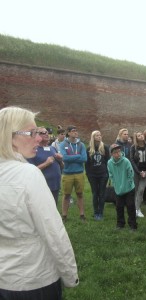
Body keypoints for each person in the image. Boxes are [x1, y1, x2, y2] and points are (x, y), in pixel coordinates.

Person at [0, 106, 78, 300]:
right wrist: (70, 276)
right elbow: (53, 231)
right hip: (34, 279)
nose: (39, 138)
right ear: (10, 136)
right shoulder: (28, 174)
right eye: (32, 132)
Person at [27, 127, 63, 205]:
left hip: (55, 185)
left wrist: (60, 160)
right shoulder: (32, 150)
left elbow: (62, 167)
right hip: (41, 187)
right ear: (36, 135)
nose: (46, 134)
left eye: (47, 132)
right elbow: (29, 171)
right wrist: (46, 163)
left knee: (53, 209)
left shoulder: (52, 148)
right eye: (43, 133)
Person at [60, 125, 87, 222]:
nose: (76, 132)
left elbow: (84, 158)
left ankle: (82, 214)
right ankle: (64, 216)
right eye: (73, 131)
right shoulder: (63, 144)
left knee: (80, 194)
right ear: (69, 133)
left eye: (76, 130)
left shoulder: (81, 145)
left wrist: (71, 157)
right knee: (66, 195)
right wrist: (77, 156)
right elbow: (64, 158)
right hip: (67, 173)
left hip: (79, 173)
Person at [107, 144, 137, 230]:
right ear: (112, 154)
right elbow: (110, 174)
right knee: (119, 207)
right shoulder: (109, 163)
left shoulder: (126, 161)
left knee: (130, 206)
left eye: (119, 151)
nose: (118, 154)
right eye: (115, 152)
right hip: (118, 189)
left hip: (129, 188)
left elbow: (130, 174)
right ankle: (120, 224)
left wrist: (128, 183)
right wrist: (114, 183)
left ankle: (133, 225)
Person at [85, 130, 109, 221]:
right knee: (95, 193)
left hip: (103, 174)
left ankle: (101, 212)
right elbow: (87, 163)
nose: (99, 136)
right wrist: (88, 174)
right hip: (92, 175)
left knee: (102, 193)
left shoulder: (105, 147)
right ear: (93, 137)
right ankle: (96, 212)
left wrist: (107, 173)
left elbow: (107, 161)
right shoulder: (89, 149)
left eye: (100, 135)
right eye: (97, 135)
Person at [130, 131, 146, 217]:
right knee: (136, 190)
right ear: (136, 138)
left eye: (141, 135)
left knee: (141, 190)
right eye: (139, 135)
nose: (141, 136)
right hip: (136, 172)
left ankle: (137, 209)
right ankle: (135, 208)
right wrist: (138, 172)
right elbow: (132, 160)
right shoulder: (133, 147)